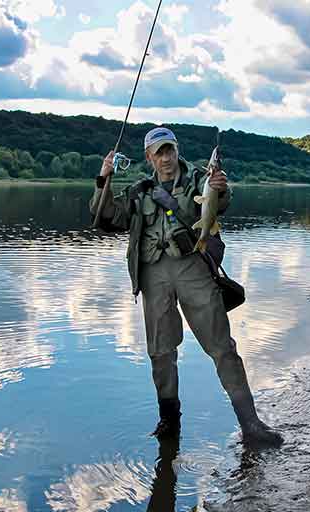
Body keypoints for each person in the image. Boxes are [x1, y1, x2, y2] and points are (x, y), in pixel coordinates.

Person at [90, 126, 283, 447]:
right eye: (159, 152)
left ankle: (251, 425)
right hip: (153, 275)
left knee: (222, 348)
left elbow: (219, 202)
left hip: (193, 268)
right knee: (160, 353)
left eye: (170, 150)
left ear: (177, 150)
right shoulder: (140, 189)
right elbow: (105, 217)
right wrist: (103, 179)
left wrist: (221, 188)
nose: (166, 158)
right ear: (149, 157)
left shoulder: (199, 178)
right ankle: (169, 421)